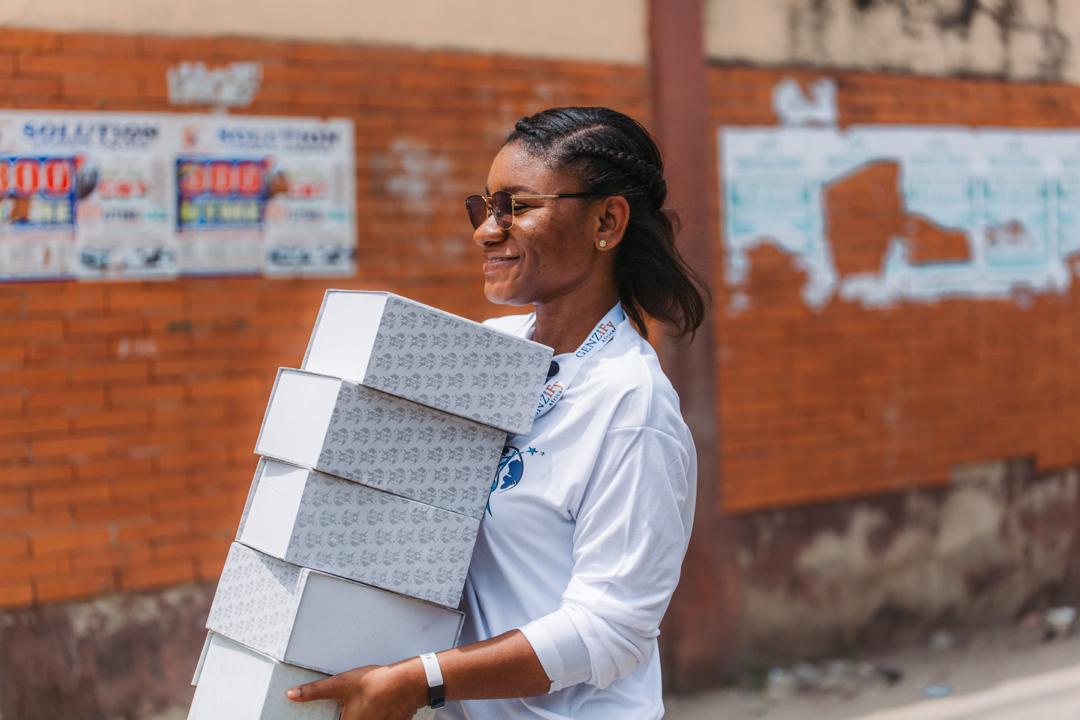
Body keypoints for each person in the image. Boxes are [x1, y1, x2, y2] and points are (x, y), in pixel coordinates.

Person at [287, 106, 706, 719]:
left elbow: (610, 630)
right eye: (485, 206)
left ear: (607, 221)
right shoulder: (490, 354)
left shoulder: (630, 406)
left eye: (519, 206)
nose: (487, 230)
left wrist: (421, 680)